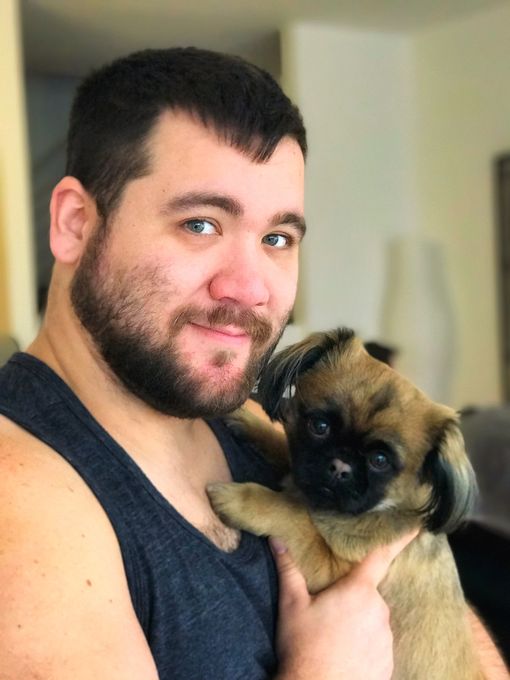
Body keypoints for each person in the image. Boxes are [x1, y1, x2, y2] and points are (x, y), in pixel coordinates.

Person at [0, 48, 505, 680]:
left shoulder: (238, 413)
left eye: (277, 239)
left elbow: (436, 605)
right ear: (75, 223)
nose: (249, 288)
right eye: (201, 224)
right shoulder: (24, 507)